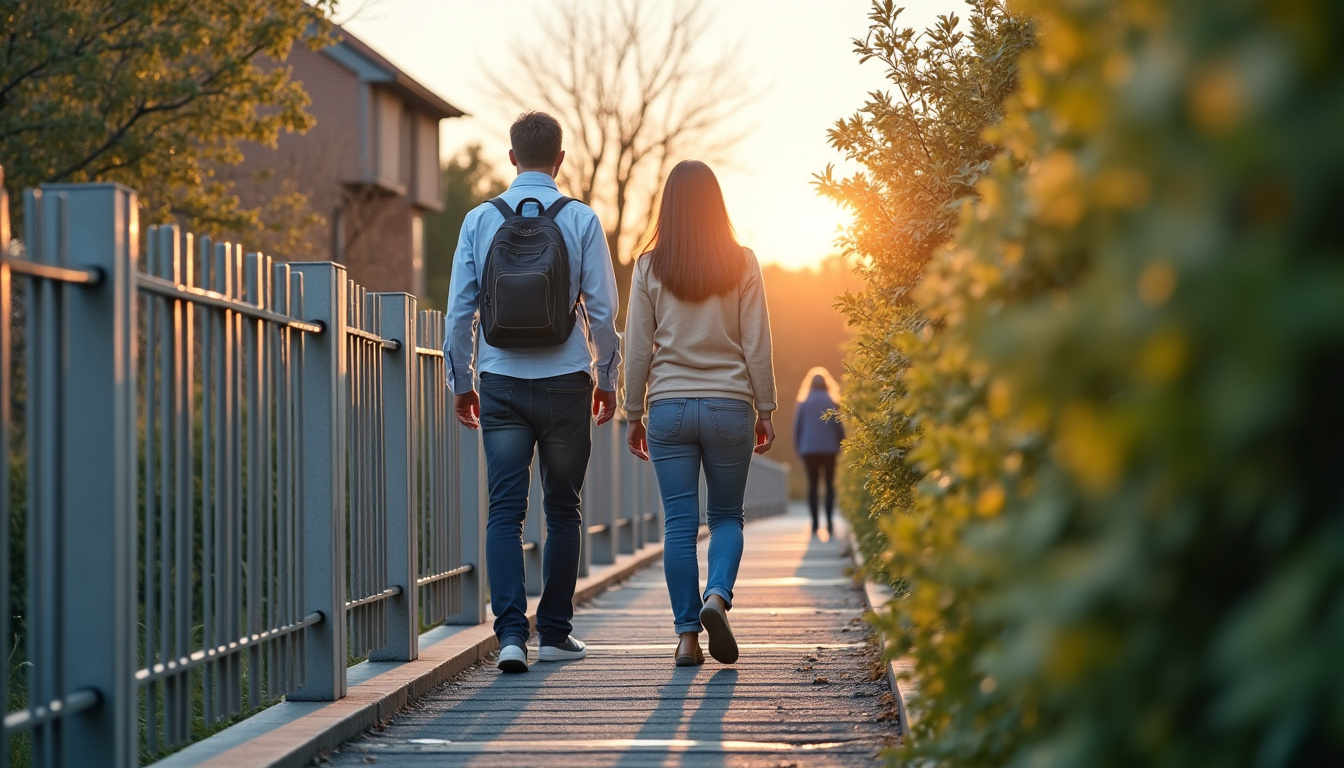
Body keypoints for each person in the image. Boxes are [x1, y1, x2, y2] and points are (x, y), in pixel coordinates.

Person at [446, 111, 621, 673]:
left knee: (505, 510)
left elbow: (459, 312)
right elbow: (603, 310)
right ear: (561, 159)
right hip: (566, 383)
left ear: (512, 157)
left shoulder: (480, 219)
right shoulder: (581, 219)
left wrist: (462, 382)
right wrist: (607, 378)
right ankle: (554, 634)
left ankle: (510, 637)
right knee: (563, 508)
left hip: (499, 383)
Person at [621, 159, 777, 667]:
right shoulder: (743, 262)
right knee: (727, 516)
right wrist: (766, 407)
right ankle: (717, 597)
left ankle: (687, 638)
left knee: (679, 525)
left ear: (669, 206)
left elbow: (637, 346)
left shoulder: (648, 266)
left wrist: (633, 412)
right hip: (729, 406)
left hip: (668, 407)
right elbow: (756, 342)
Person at [793, 367, 844, 536]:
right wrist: (841, 444)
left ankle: (815, 523)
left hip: (809, 450)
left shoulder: (803, 403)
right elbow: (839, 427)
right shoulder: (832, 401)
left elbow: (797, 428)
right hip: (829, 449)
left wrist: (799, 449)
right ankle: (829, 522)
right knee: (829, 485)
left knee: (812, 485)